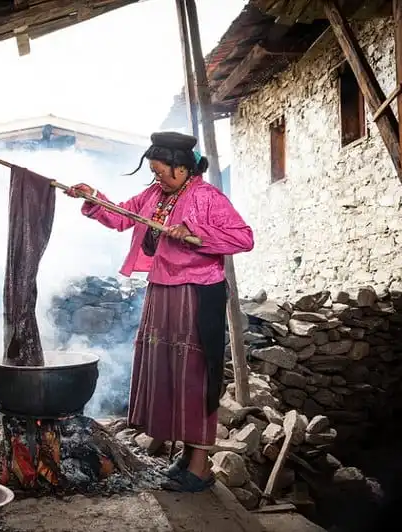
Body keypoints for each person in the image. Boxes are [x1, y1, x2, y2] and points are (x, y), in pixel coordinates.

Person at [66, 132, 254, 492]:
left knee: (196, 375)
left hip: (197, 293)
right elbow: (121, 217)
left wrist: (195, 231)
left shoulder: (207, 196)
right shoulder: (154, 196)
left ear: (183, 168)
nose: (158, 179)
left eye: (163, 172)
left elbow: (244, 237)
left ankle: (200, 467)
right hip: (163, 291)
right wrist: (92, 197)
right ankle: (185, 458)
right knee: (171, 372)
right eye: (153, 172)